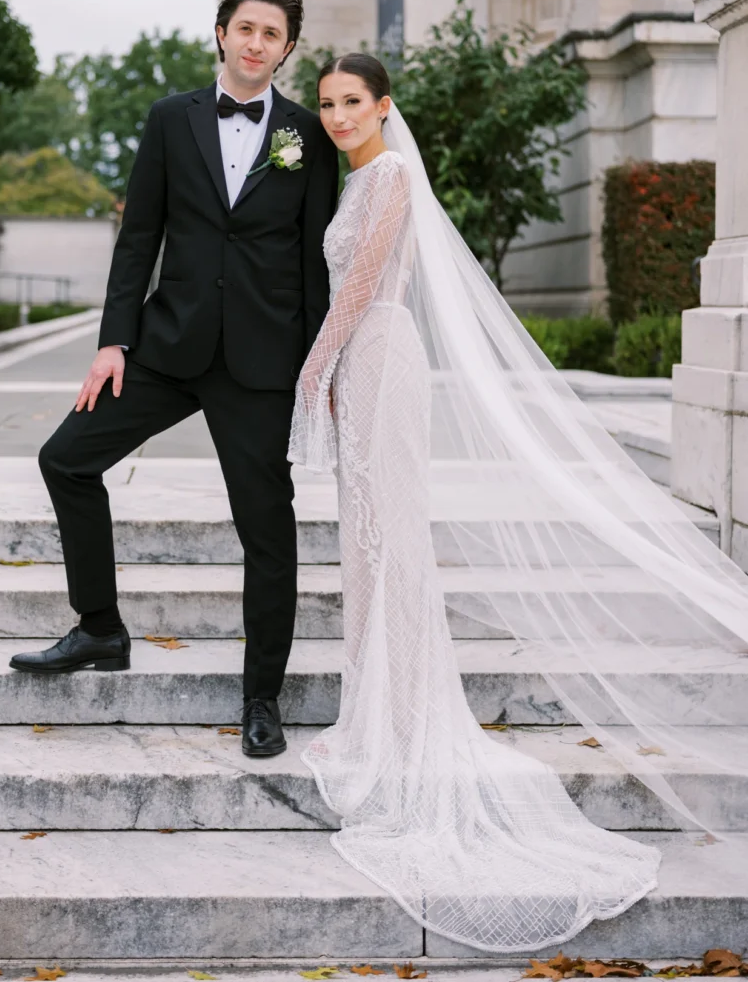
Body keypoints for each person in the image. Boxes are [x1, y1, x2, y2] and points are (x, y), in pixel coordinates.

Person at [290, 52, 748, 953]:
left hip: (379, 355)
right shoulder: (355, 180)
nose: (338, 114)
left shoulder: (387, 181)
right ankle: (372, 717)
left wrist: (316, 368)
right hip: (363, 364)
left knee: (394, 544)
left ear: (385, 105)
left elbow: (361, 286)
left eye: (353, 101)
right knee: (368, 545)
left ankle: (406, 725)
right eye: (329, 103)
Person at [11, 0, 339, 760]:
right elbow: (139, 238)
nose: (257, 42)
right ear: (221, 32)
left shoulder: (309, 135)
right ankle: (99, 626)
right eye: (246, 28)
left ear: (287, 50)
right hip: (167, 344)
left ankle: (261, 696)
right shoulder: (169, 120)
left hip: (263, 359)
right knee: (66, 459)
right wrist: (112, 340)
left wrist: (318, 369)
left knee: (267, 528)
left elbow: (316, 259)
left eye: (273, 34)